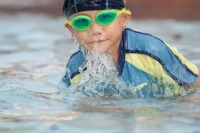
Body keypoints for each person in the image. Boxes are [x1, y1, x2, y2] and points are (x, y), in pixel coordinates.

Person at [61, 0, 200, 98]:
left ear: (124, 19)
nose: (95, 30)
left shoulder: (151, 50)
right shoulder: (75, 67)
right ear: (71, 29)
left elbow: (194, 86)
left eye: (105, 17)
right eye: (81, 22)